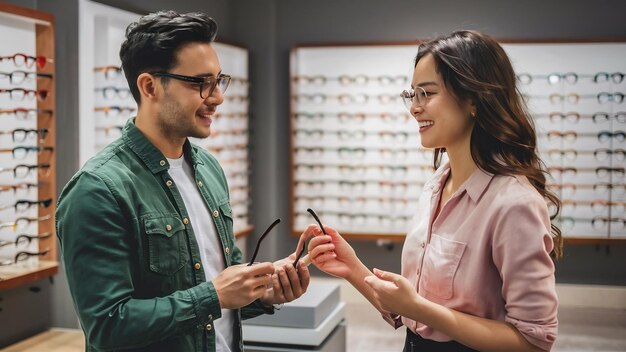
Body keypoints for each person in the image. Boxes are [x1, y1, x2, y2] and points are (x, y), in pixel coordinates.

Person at [56, 11, 310, 352]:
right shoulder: (97, 190)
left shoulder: (208, 169)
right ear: (149, 86)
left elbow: (215, 292)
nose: (217, 97)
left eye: (219, 81)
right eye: (200, 83)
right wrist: (213, 295)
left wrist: (261, 293)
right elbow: (106, 325)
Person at [303, 30, 561, 351]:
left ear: (474, 100)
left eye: (427, 93)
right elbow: (413, 314)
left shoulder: (514, 204)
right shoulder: (438, 183)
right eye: (412, 94)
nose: (415, 108)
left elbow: (532, 342)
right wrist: (352, 267)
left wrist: (418, 308)